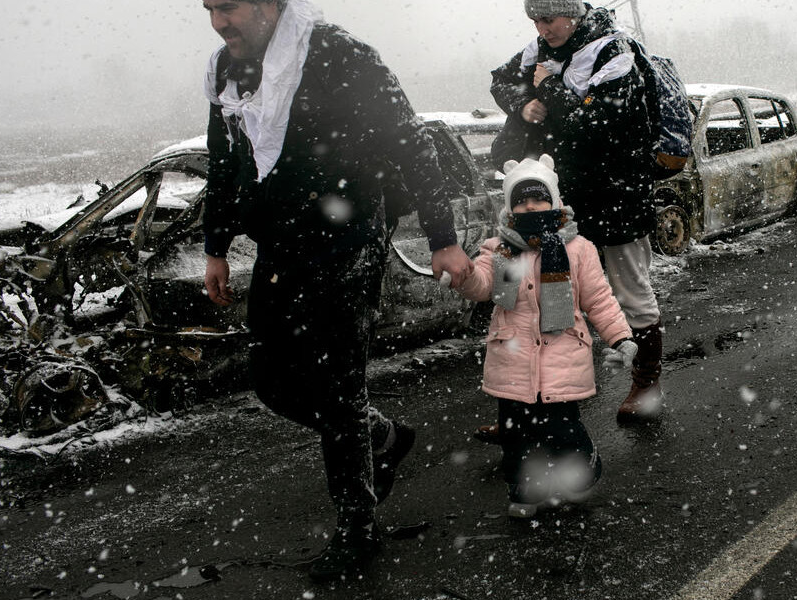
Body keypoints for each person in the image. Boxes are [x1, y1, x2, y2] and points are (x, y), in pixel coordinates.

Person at [198, 0, 473, 581]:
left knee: (335, 379)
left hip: (348, 238)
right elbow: (226, 157)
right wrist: (216, 244)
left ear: (271, 4)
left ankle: (358, 528)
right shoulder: (229, 68)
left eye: (229, 7)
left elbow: (411, 142)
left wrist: (443, 237)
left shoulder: (338, 55)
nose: (220, 22)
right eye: (209, 9)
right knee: (271, 381)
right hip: (281, 245)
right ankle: (383, 436)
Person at [484, 0, 667, 437]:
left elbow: (601, 122)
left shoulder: (614, 53)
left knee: (627, 292)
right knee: (531, 297)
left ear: (573, 13)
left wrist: (547, 90)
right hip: (551, 198)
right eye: (534, 19)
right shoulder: (537, 52)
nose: (541, 28)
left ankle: (647, 384)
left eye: (548, 18)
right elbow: (499, 81)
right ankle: (527, 405)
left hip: (614, 195)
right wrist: (526, 100)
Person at [450, 154, 636, 517]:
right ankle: (524, 491)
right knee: (515, 435)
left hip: (562, 359)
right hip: (512, 360)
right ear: (509, 207)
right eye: (520, 199)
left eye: (538, 197)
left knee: (563, 432)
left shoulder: (578, 249)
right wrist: (464, 275)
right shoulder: (499, 249)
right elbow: (484, 285)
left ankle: (584, 468)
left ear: (554, 200)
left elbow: (598, 299)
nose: (530, 205)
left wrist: (620, 337)